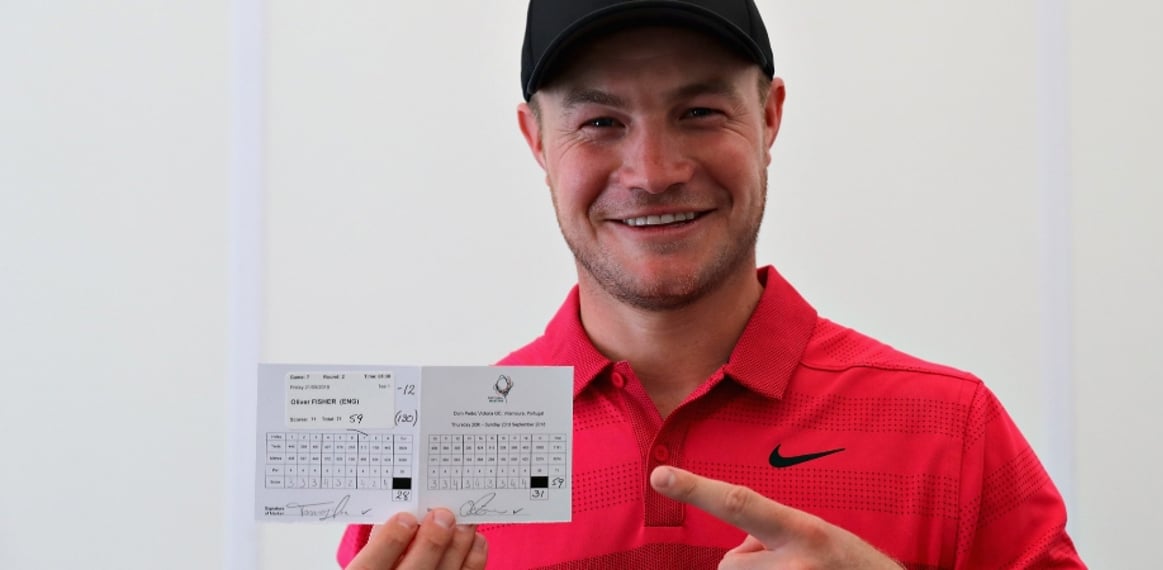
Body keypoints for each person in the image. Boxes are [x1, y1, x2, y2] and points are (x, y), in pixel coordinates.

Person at [338, 1, 1086, 568]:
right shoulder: (422, 468)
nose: (654, 172)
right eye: (601, 122)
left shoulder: (952, 432)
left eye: (699, 112)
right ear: (536, 140)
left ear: (769, 117)